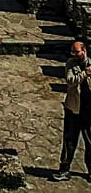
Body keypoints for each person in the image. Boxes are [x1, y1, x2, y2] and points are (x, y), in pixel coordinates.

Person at [54, 40, 89, 181]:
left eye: (76, 51)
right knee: (69, 140)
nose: (74, 54)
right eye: (72, 52)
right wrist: (85, 74)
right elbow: (70, 80)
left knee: (90, 142)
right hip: (73, 109)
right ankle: (64, 170)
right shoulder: (71, 63)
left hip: (89, 111)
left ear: (84, 51)